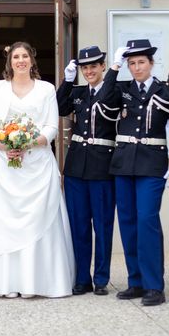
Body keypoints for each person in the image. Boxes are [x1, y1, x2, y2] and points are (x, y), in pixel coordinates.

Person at [0, 42, 75, 298]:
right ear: (9, 61)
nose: (21, 60)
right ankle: (3, 284)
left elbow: (51, 127)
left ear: (32, 60)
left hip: (37, 164)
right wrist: (5, 146)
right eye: (16, 56)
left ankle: (34, 283)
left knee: (38, 222)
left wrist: (26, 144)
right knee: (0, 223)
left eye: (25, 56)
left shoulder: (46, 89)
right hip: (3, 167)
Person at [101, 39, 169, 306]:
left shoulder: (164, 90)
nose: (136, 68)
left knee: (147, 220)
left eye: (141, 62)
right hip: (124, 163)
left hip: (151, 164)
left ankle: (154, 286)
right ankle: (135, 281)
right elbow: (103, 97)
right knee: (127, 222)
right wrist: (114, 66)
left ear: (151, 63)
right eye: (132, 63)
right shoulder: (122, 89)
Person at [57, 46, 118, 296]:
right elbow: (60, 108)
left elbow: (106, 99)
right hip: (76, 168)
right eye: (85, 68)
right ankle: (82, 277)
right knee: (78, 225)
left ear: (103, 66)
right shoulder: (79, 92)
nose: (89, 71)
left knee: (102, 226)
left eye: (94, 66)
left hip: (102, 167)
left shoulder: (113, 89)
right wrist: (67, 81)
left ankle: (101, 278)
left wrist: (114, 71)